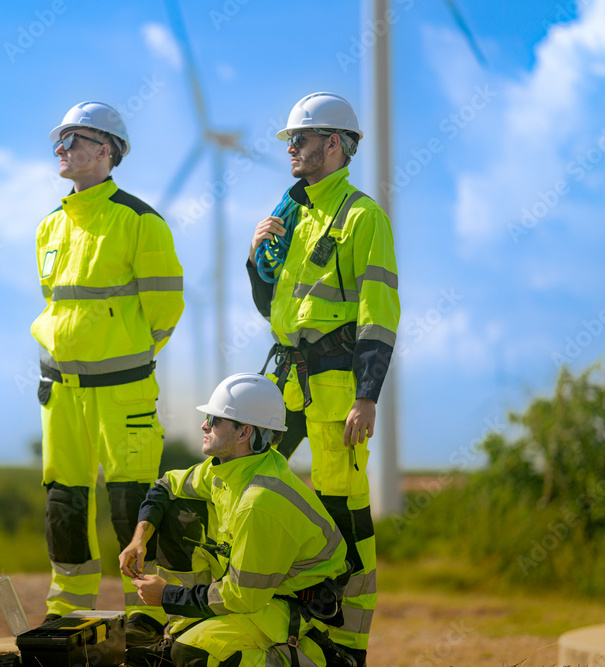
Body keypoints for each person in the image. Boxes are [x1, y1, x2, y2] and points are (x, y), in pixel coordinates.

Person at [245, 92, 401, 666]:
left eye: (300, 140)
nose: (291, 150)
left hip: (339, 384)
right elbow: (274, 308)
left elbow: (380, 314)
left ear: (333, 145)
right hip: (286, 374)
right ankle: (290, 609)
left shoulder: (363, 217)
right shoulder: (292, 215)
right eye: (290, 141)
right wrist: (256, 259)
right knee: (253, 482)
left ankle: (347, 644)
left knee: (344, 510)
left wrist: (367, 395)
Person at [32, 101, 184, 645]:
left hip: (123, 392)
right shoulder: (50, 224)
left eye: (75, 140)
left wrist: (126, 354)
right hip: (61, 392)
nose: (63, 149)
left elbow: (165, 310)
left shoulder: (140, 221)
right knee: (63, 503)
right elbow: (57, 305)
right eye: (60, 140)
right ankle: (67, 611)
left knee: (132, 504)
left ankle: (148, 614)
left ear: (107, 151)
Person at [119, 374, 353, 667]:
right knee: (177, 505)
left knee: (193, 656)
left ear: (244, 433)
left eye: (214, 419)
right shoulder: (230, 469)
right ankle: (187, 627)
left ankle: (311, 659)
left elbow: (243, 597)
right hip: (262, 592)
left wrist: (167, 595)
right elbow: (166, 485)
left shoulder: (261, 501)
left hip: (294, 606)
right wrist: (138, 538)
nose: (204, 425)